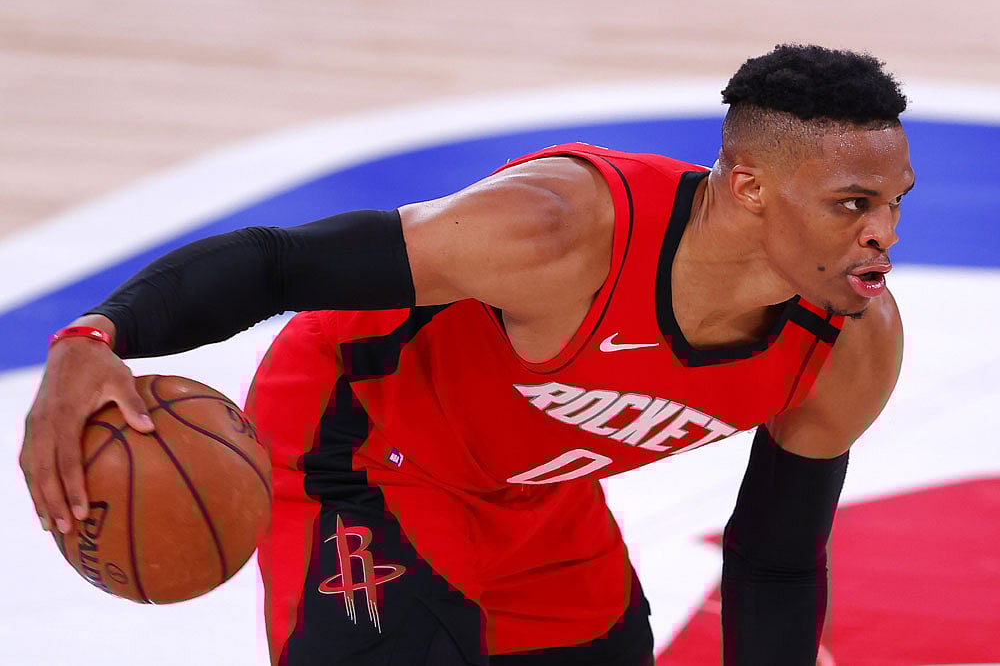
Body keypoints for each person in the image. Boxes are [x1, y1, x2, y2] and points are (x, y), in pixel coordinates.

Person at [21, 43, 913, 665]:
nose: (884, 232)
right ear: (749, 188)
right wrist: (95, 337)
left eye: (895, 202)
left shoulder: (851, 343)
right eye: (852, 203)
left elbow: (774, 558)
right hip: (361, 443)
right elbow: (280, 263)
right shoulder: (561, 229)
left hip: (532, 494)